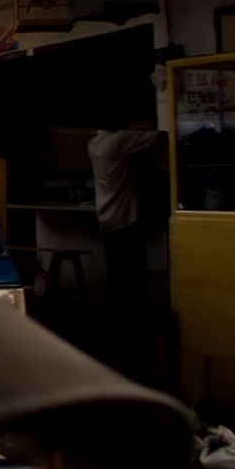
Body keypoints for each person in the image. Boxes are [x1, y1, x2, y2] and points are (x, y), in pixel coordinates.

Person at [88, 121, 162, 330]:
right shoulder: (119, 140)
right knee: (133, 275)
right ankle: (129, 323)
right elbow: (160, 137)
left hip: (105, 217)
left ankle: (114, 322)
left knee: (115, 274)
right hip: (126, 217)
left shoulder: (93, 144)